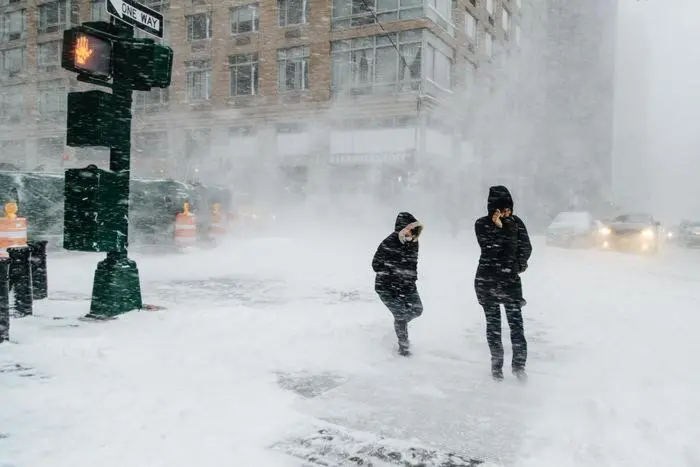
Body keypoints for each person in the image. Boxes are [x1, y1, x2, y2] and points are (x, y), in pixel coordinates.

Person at [474, 186, 532, 381]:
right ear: (493, 209)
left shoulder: (517, 223)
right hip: (487, 281)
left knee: (517, 326)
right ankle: (496, 366)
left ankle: (519, 367)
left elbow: (526, 247)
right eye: (502, 208)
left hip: (510, 281)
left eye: (509, 208)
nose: (507, 212)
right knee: (494, 326)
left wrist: (518, 265)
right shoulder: (481, 224)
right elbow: (490, 249)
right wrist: (500, 227)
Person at [372, 212, 424, 356]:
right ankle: (404, 348)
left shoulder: (414, 243)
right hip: (385, 287)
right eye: (409, 229)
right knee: (400, 315)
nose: (412, 234)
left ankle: (399, 324)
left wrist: (410, 281)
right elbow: (375, 265)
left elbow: (413, 265)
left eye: (415, 230)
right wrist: (393, 271)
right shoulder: (389, 242)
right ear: (401, 229)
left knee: (417, 310)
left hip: (407, 285)